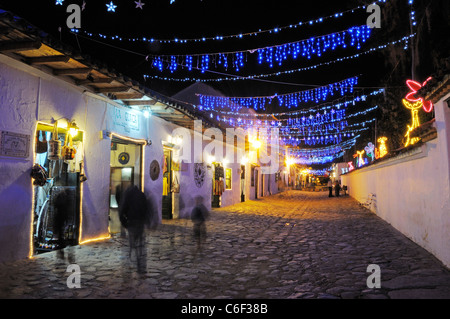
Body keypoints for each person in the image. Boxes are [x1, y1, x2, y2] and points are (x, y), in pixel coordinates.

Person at [119, 185, 150, 273]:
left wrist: (124, 223)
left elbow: (122, 210)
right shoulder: (141, 195)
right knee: (140, 245)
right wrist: (146, 220)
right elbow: (146, 208)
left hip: (131, 222)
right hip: (140, 223)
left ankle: (130, 263)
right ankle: (141, 266)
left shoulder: (128, 196)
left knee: (132, 244)